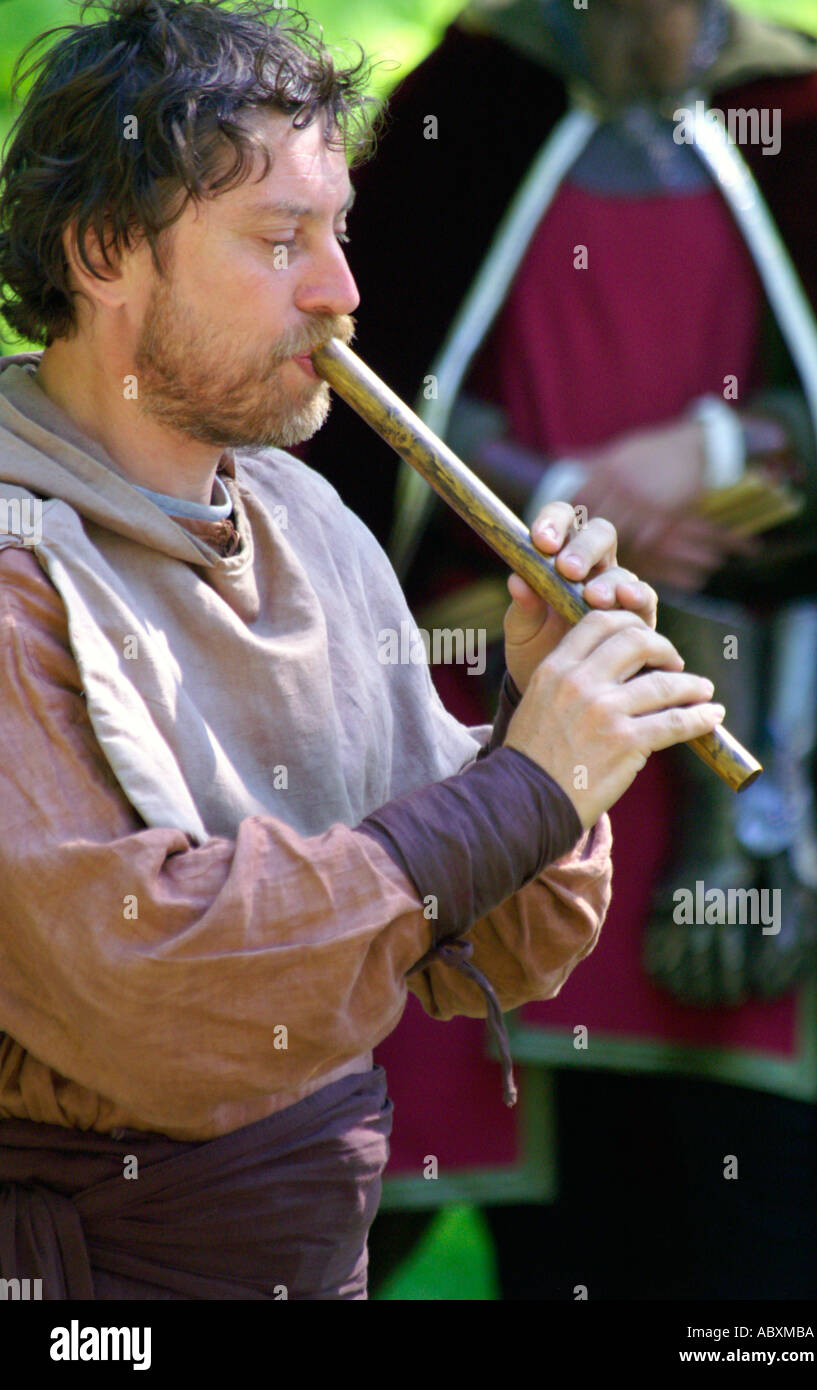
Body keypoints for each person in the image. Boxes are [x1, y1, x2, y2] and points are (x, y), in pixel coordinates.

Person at [0, 0, 725, 1300]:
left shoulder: (305, 513)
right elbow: (150, 999)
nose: (341, 293)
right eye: (281, 241)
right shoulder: (13, 568)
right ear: (106, 251)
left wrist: (540, 707)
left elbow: (494, 944)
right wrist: (526, 784)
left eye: (336, 233)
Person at [306, 0, 817, 1298]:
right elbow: (351, 385)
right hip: (481, 735)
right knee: (551, 1224)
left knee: (745, 1231)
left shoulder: (813, 138)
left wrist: (729, 455)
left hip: (739, 760)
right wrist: (553, 493)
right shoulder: (474, 110)